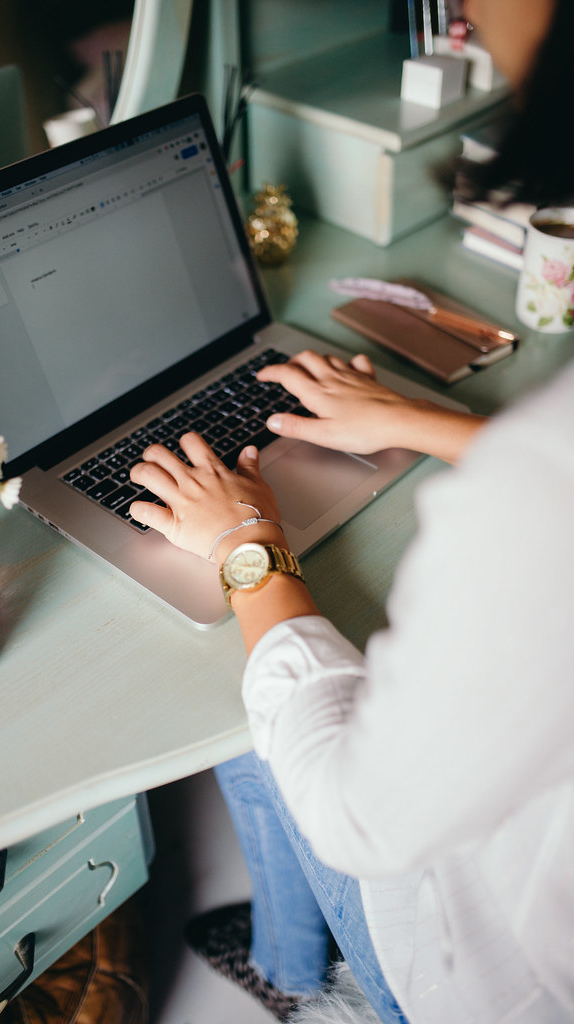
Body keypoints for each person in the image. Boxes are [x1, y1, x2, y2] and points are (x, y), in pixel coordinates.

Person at [128, 0, 574, 1020]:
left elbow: (356, 817)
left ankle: (298, 974)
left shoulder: (530, 506)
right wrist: (417, 420)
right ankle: (292, 962)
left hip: (493, 982)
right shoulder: (541, 473)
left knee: (238, 710)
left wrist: (249, 547)